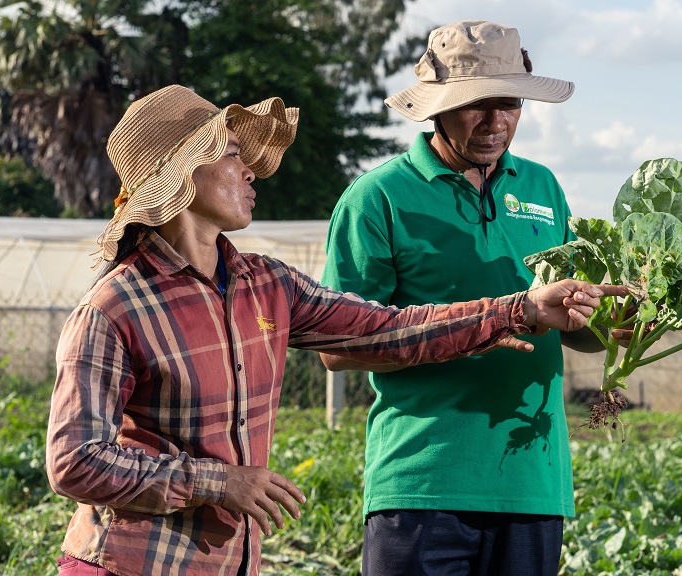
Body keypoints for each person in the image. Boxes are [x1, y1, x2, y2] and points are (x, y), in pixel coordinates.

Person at [44, 84, 625, 576]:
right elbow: (73, 460)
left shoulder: (266, 285)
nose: (251, 168)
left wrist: (518, 310)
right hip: (128, 562)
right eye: (229, 154)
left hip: (226, 560)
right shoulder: (115, 307)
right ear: (180, 176)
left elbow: (388, 331)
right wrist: (216, 482)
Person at [320, 20, 614, 575]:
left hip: (531, 482)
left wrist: (610, 321)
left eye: (510, 105)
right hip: (422, 482)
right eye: (475, 105)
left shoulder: (543, 187)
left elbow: (573, 329)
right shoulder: (378, 198)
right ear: (437, 107)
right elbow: (338, 348)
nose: (495, 122)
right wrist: (501, 318)